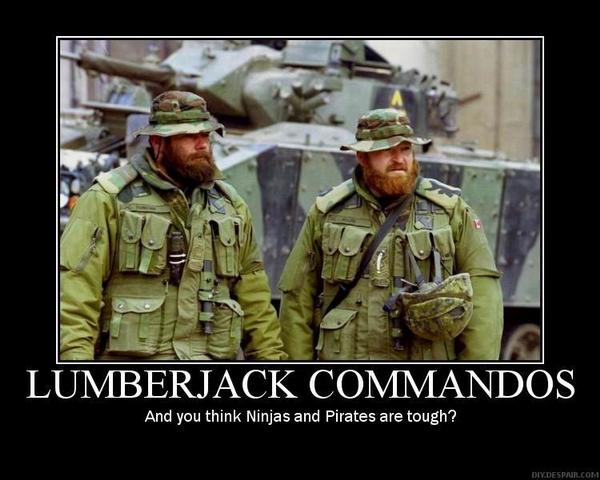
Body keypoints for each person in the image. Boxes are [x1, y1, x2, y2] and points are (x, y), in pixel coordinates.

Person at [60, 91, 286, 361]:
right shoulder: (108, 199)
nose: (202, 145)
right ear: (158, 142)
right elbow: (75, 296)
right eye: (189, 136)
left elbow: (256, 303)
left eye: (206, 135)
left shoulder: (230, 206)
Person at [278, 108, 503, 360]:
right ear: (362, 157)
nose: (399, 159)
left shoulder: (450, 211)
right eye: (387, 150)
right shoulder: (328, 212)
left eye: (405, 149)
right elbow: (297, 300)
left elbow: (484, 300)